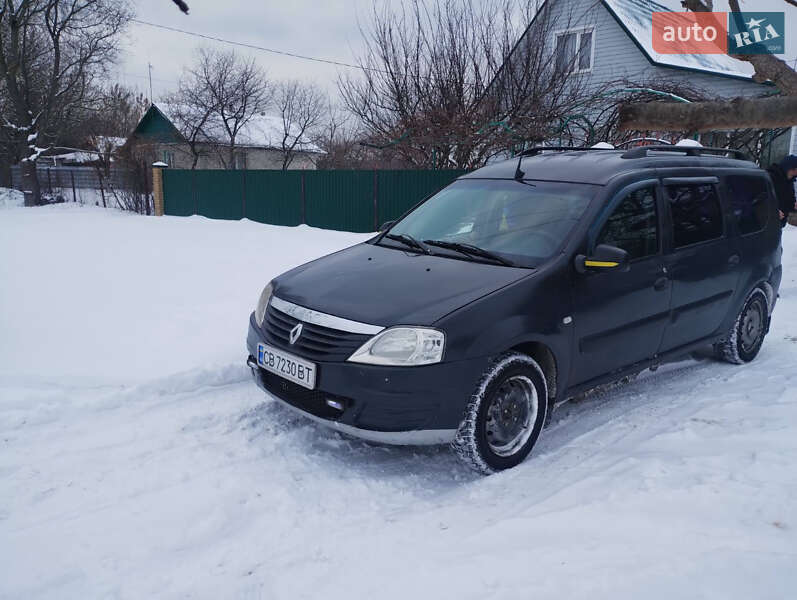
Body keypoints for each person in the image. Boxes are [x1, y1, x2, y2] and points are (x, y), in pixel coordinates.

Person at [767, 155, 797, 227]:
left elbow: (788, 202)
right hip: (764, 224)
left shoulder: (789, 181)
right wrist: (772, 211)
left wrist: (794, 206)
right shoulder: (770, 177)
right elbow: (759, 199)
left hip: (778, 224)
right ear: (790, 168)